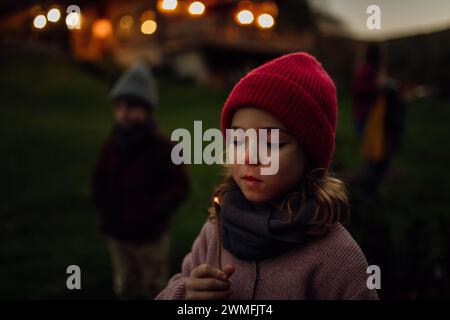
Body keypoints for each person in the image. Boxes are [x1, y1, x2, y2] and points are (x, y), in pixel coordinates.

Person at [156, 53, 378, 300]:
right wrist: (186, 294)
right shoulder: (216, 229)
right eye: (238, 141)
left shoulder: (336, 257)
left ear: (310, 154)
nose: (250, 157)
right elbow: (179, 282)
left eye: (271, 143)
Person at [92, 62, 190, 299]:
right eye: (119, 105)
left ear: (146, 109)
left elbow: (179, 186)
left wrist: (152, 213)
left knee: (153, 286)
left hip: (150, 236)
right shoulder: (112, 145)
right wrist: (108, 210)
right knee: (126, 283)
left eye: (131, 105)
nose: (123, 112)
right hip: (118, 233)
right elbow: (99, 180)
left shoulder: (163, 148)